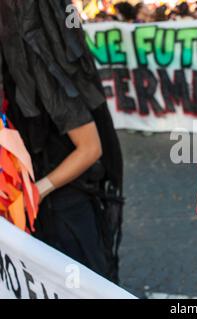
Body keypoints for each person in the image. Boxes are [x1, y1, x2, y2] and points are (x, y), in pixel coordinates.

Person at [0, 0, 124, 283]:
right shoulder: (13, 74)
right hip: (39, 215)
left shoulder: (48, 79)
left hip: (66, 214)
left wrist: (35, 192)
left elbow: (90, 149)